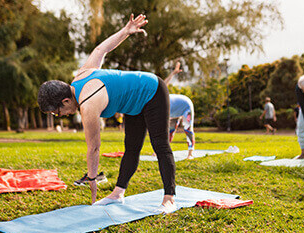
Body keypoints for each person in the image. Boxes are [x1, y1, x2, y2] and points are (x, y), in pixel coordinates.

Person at [36, 14, 176, 212]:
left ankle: (169, 198)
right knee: (131, 147)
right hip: (133, 104)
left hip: (152, 91)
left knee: (160, 144)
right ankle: (118, 193)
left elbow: (94, 147)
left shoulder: (87, 104)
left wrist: (92, 179)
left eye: (59, 112)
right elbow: (101, 49)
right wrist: (126, 31)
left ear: (66, 100)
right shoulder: (81, 74)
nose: (63, 116)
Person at [164, 62, 196, 159]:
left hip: (185, 105)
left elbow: (164, 84)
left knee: (188, 129)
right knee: (170, 132)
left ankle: (190, 153)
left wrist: (173, 73)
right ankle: (162, 152)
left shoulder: (159, 97)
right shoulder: (154, 106)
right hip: (173, 112)